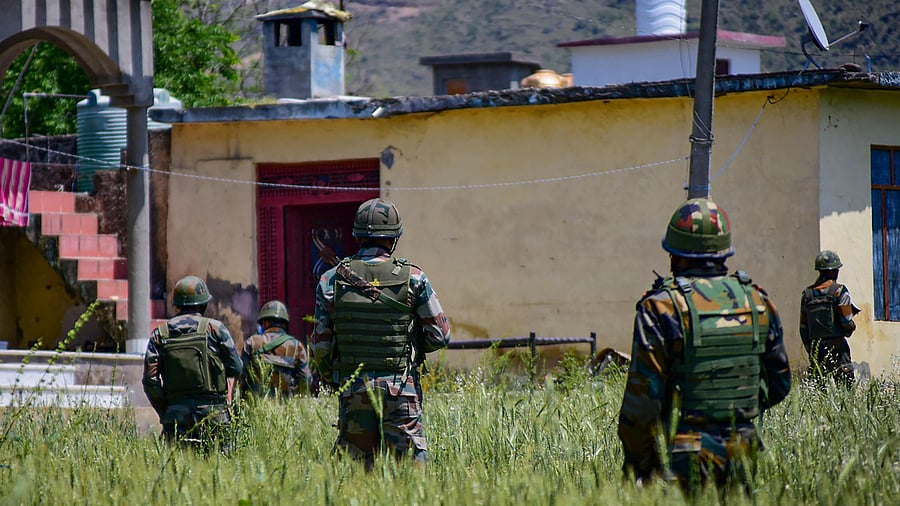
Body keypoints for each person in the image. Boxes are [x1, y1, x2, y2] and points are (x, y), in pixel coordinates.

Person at [617, 198, 791, 494]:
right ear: (725, 252)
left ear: (673, 253)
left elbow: (642, 405)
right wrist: (733, 414)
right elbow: (780, 382)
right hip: (744, 450)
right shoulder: (757, 301)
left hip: (683, 458)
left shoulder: (660, 307)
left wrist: (640, 467)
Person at [311, 197, 451, 469]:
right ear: (394, 238)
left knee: (355, 478)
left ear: (357, 235)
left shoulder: (331, 279)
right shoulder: (414, 277)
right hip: (401, 389)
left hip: (354, 389)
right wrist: (409, 345)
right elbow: (440, 335)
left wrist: (338, 379)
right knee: (412, 478)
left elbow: (320, 348)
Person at [142, 275, 242, 451]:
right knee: (222, 470)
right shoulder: (215, 329)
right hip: (213, 414)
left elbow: (150, 381)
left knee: (177, 473)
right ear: (203, 304)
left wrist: (167, 410)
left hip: (176, 415)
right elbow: (236, 367)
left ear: (177, 304)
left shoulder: (160, 334)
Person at [800, 250, 860, 387]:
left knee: (819, 390)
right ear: (834, 271)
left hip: (817, 348)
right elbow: (846, 322)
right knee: (845, 390)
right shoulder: (839, 291)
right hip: (838, 347)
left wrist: (811, 349)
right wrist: (852, 326)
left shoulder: (807, 294)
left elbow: (803, 327)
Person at [241, 300, 312, 397]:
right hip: (287, 406)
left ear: (265, 323)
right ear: (284, 324)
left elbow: (242, 377)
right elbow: (306, 381)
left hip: (257, 406)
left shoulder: (252, 342)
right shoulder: (296, 346)